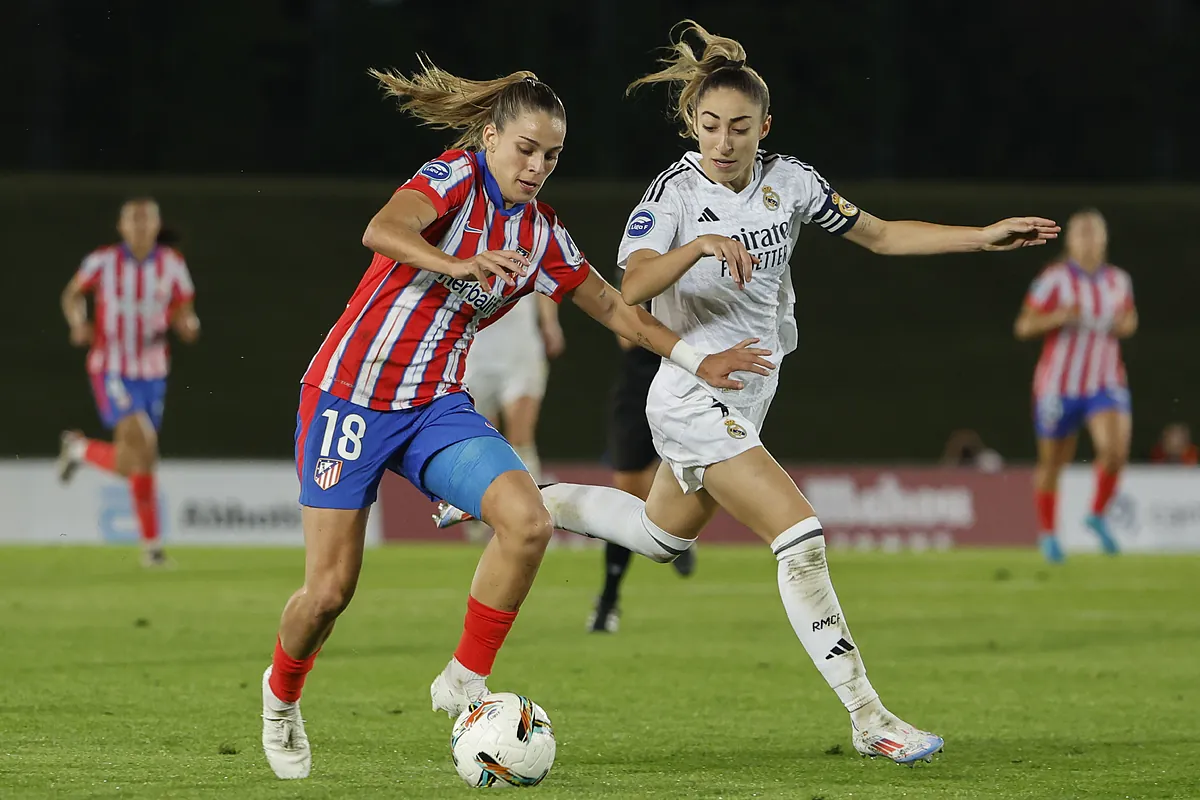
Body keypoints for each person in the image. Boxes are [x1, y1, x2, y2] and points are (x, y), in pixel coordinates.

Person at [438, 19, 1058, 764]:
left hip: (747, 393)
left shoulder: (790, 182)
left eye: (737, 127)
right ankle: (870, 718)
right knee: (799, 536)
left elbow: (883, 236)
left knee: (659, 537)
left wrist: (981, 235)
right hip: (692, 392)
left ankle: (515, 497)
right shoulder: (672, 193)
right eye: (708, 127)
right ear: (691, 126)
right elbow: (631, 288)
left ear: (765, 126)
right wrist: (697, 245)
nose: (722, 142)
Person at [259, 57, 772, 781]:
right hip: (349, 397)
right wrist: (456, 263)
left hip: (436, 408)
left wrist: (697, 360)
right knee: (328, 594)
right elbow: (382, 229)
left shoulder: (540, 235)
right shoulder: (453, 177)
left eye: (552, 156)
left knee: (528, 520)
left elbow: (617, 310)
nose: (537, 166)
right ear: (492, 138)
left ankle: (465, 679)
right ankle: (280, 698)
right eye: (526, 149)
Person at [56, 198, 200, 567]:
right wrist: (77, 321)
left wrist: (188, 325)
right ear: (121, 227)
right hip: (112, 368)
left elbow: (185, 309)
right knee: (144, 444)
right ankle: (151, 549)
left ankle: (80, 450)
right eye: (132, 220)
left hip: (153, 373)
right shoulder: (102, 261)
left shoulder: (172, 265)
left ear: (155, 225)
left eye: (145, 220)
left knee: (135, 461)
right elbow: (72, 294)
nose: (139, 226)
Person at [1014, 209, 1137, 563]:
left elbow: (1129, 318)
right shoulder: (1053, 279)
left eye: (1093, 233)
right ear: (1070, 241)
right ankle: (1050, 535)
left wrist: (1125, 324)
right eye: (1081, 233)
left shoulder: (1118, 281)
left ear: (1103, 239)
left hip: (1105, 381)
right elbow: (1023, 325)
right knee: (1053, 463)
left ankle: (1096, 513)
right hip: (1058, 385)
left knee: (1114, 452)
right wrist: (1057, 317)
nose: (1088, 240)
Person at [588, 297, 696, 634]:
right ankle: (609, 597)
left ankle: (677, 531)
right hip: (640, 386)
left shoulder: (707, 260)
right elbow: (626, 331)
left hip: (690, 384)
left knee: (696, 478)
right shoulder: (645, 255)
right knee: (630, 498)